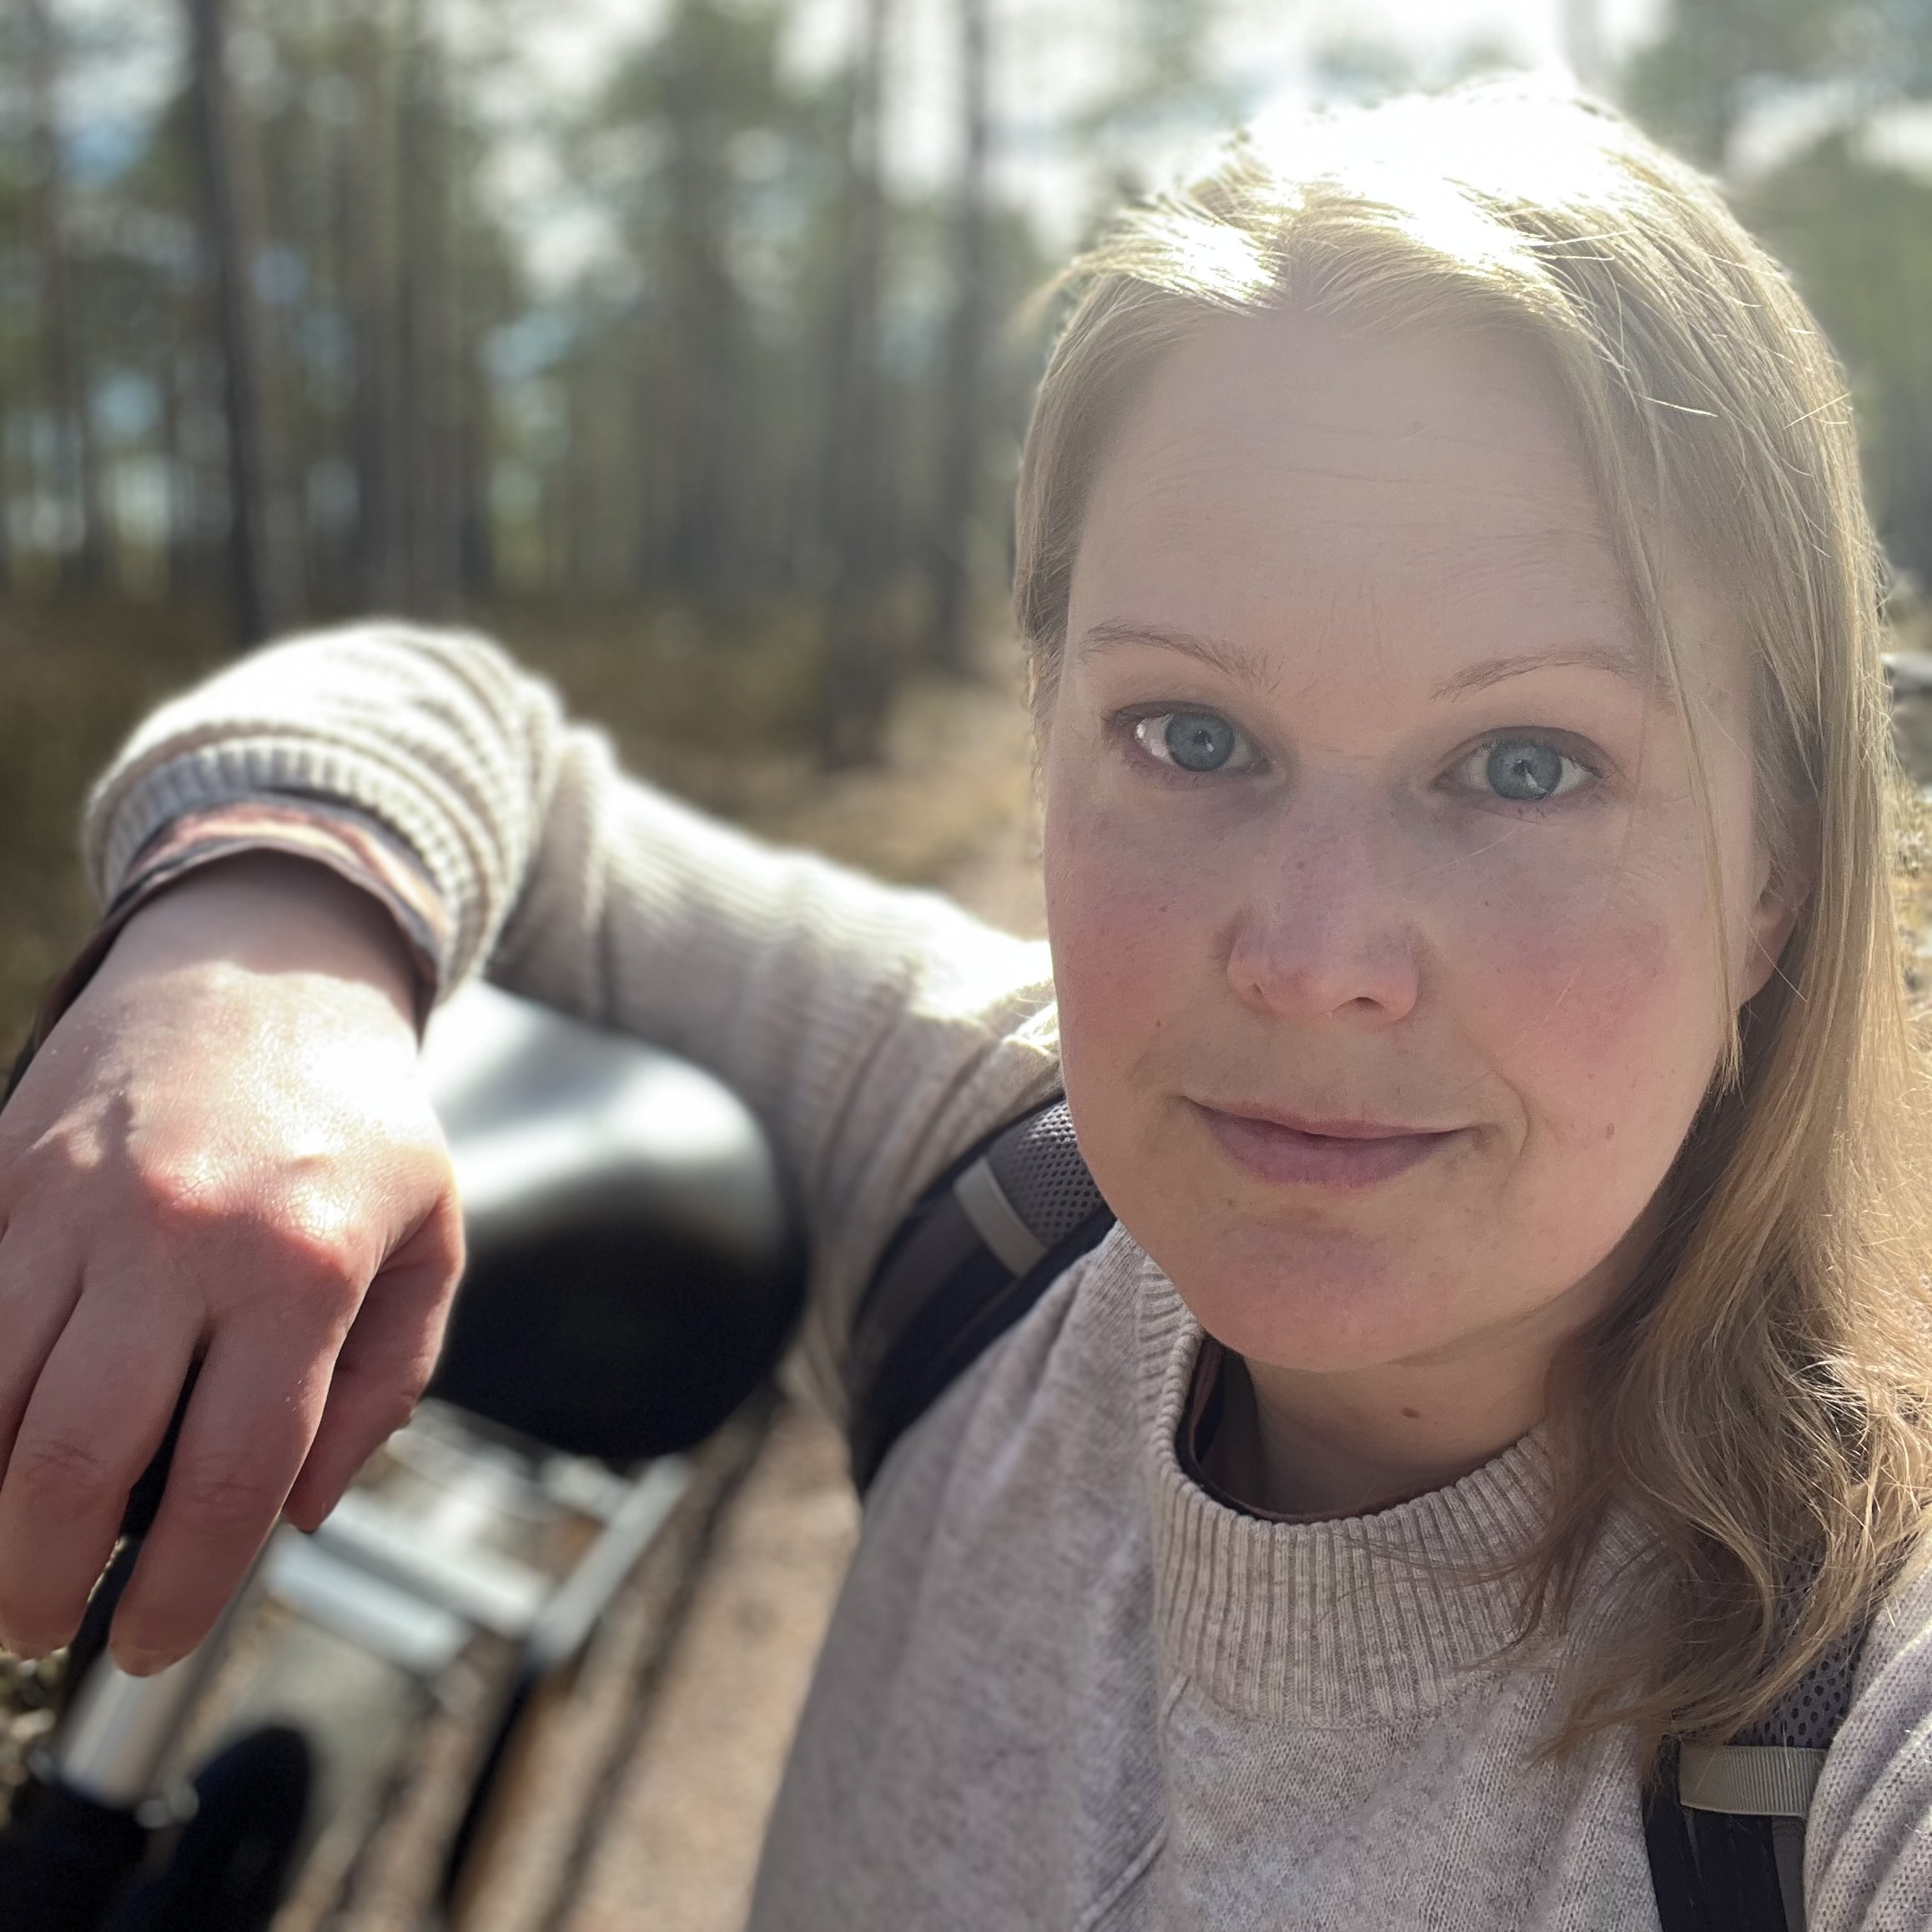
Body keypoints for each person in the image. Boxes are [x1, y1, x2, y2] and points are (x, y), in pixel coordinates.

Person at [2, 82, 1929, 1927]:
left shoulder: (1857, 1751)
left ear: (1779, 875)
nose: (1312, 953)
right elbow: (446, 723)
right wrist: (264, 962)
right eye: (1192, 733)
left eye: (1524, 764)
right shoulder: (998, 1192)